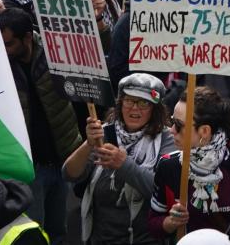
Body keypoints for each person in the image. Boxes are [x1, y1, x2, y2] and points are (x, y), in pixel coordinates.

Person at [0, 7, 83, 242]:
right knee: (34, 231)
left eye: (9, 44)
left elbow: (90, 59)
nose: (4, 50)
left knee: (58, 229)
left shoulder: (55, 52)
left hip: (61, 158)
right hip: (29, 167)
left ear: (26, 38)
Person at [63, 73, 175, 244]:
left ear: (155, 109)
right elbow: (69, 174)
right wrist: (88, 144)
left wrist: (124, 165)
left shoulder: (168, 140)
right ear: (120, 103)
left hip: (144, 240)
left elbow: (164, 192)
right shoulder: (104, 132)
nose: (135, 108)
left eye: (144, 103)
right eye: (129, 100)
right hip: (101, 238)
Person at [150, 86, 230, 237]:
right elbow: (153, 224)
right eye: (172, 122)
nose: (171, 130)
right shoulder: (169, 165)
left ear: (204, 131)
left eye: (178, 125)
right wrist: (171, 222)